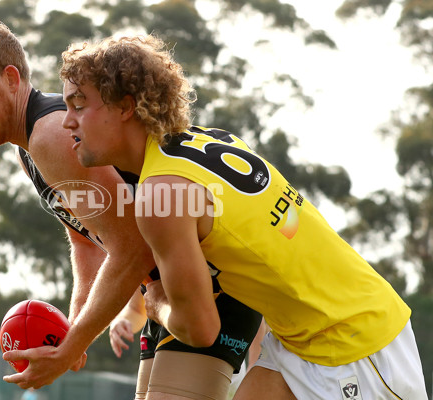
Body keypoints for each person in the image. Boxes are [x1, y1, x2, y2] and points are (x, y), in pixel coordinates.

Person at [59, 34, 429, 399]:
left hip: (353, 342)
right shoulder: (210, 140)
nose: (66, 122)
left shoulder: (162, 192)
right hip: (306, 338)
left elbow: (200, 329)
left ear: (125, 107)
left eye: (79, 105)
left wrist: (154, 304)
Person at [0, 16, 262, 399]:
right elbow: (86, 242)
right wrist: (73, 332)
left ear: (10, 78)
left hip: (210, 286)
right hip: (163, 292)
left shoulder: (51, 137)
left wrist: (71, 345)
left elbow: (132, 248)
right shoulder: (29, 148)